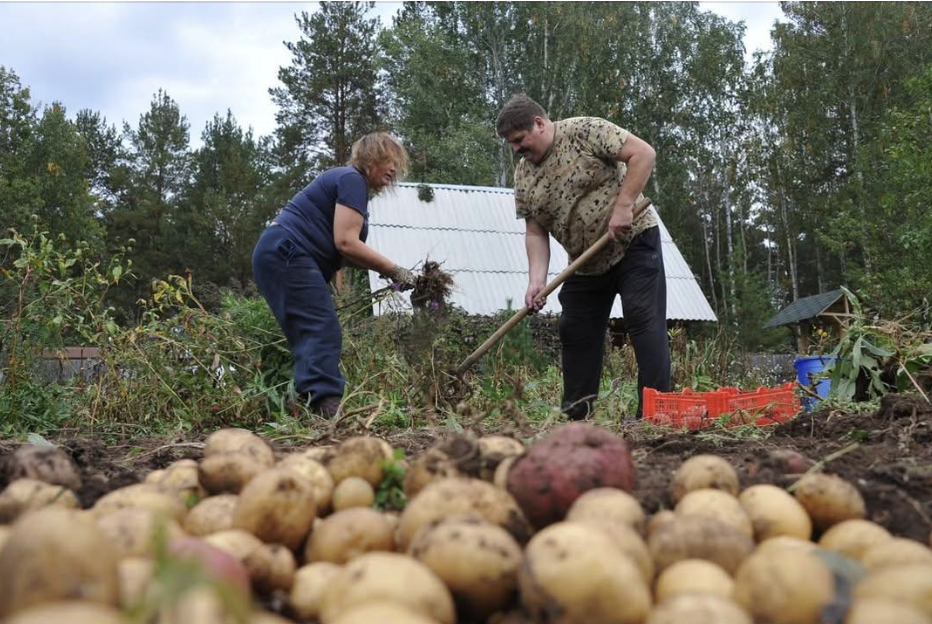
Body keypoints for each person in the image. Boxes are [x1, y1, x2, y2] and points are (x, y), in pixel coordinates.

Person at [496, 94, 671, 419]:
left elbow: (643, 154)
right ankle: (576, 416)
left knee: (641, 317)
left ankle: (656, 413)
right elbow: (535, 232)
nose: (516, 149)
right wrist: (537, 281)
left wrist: (623, 206)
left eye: (519, 140)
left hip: (634, 242)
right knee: (574, 328)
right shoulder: (523, 175)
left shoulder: (584, 131)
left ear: (539, 123)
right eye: (511, 144)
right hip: (585, 261)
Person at [252, 132, 416, 418]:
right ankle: (326, 410)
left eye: (397, 164)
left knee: (310, 333)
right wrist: (394, 269)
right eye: (388, 160)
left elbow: (344, 251)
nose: (393, 169)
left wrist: (385, 273)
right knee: (321, 328)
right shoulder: (352, 180)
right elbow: (346, 242)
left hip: (279, 252)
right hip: (287, 251)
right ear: (370, 158)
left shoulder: (350, 185)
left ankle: (305, 408)